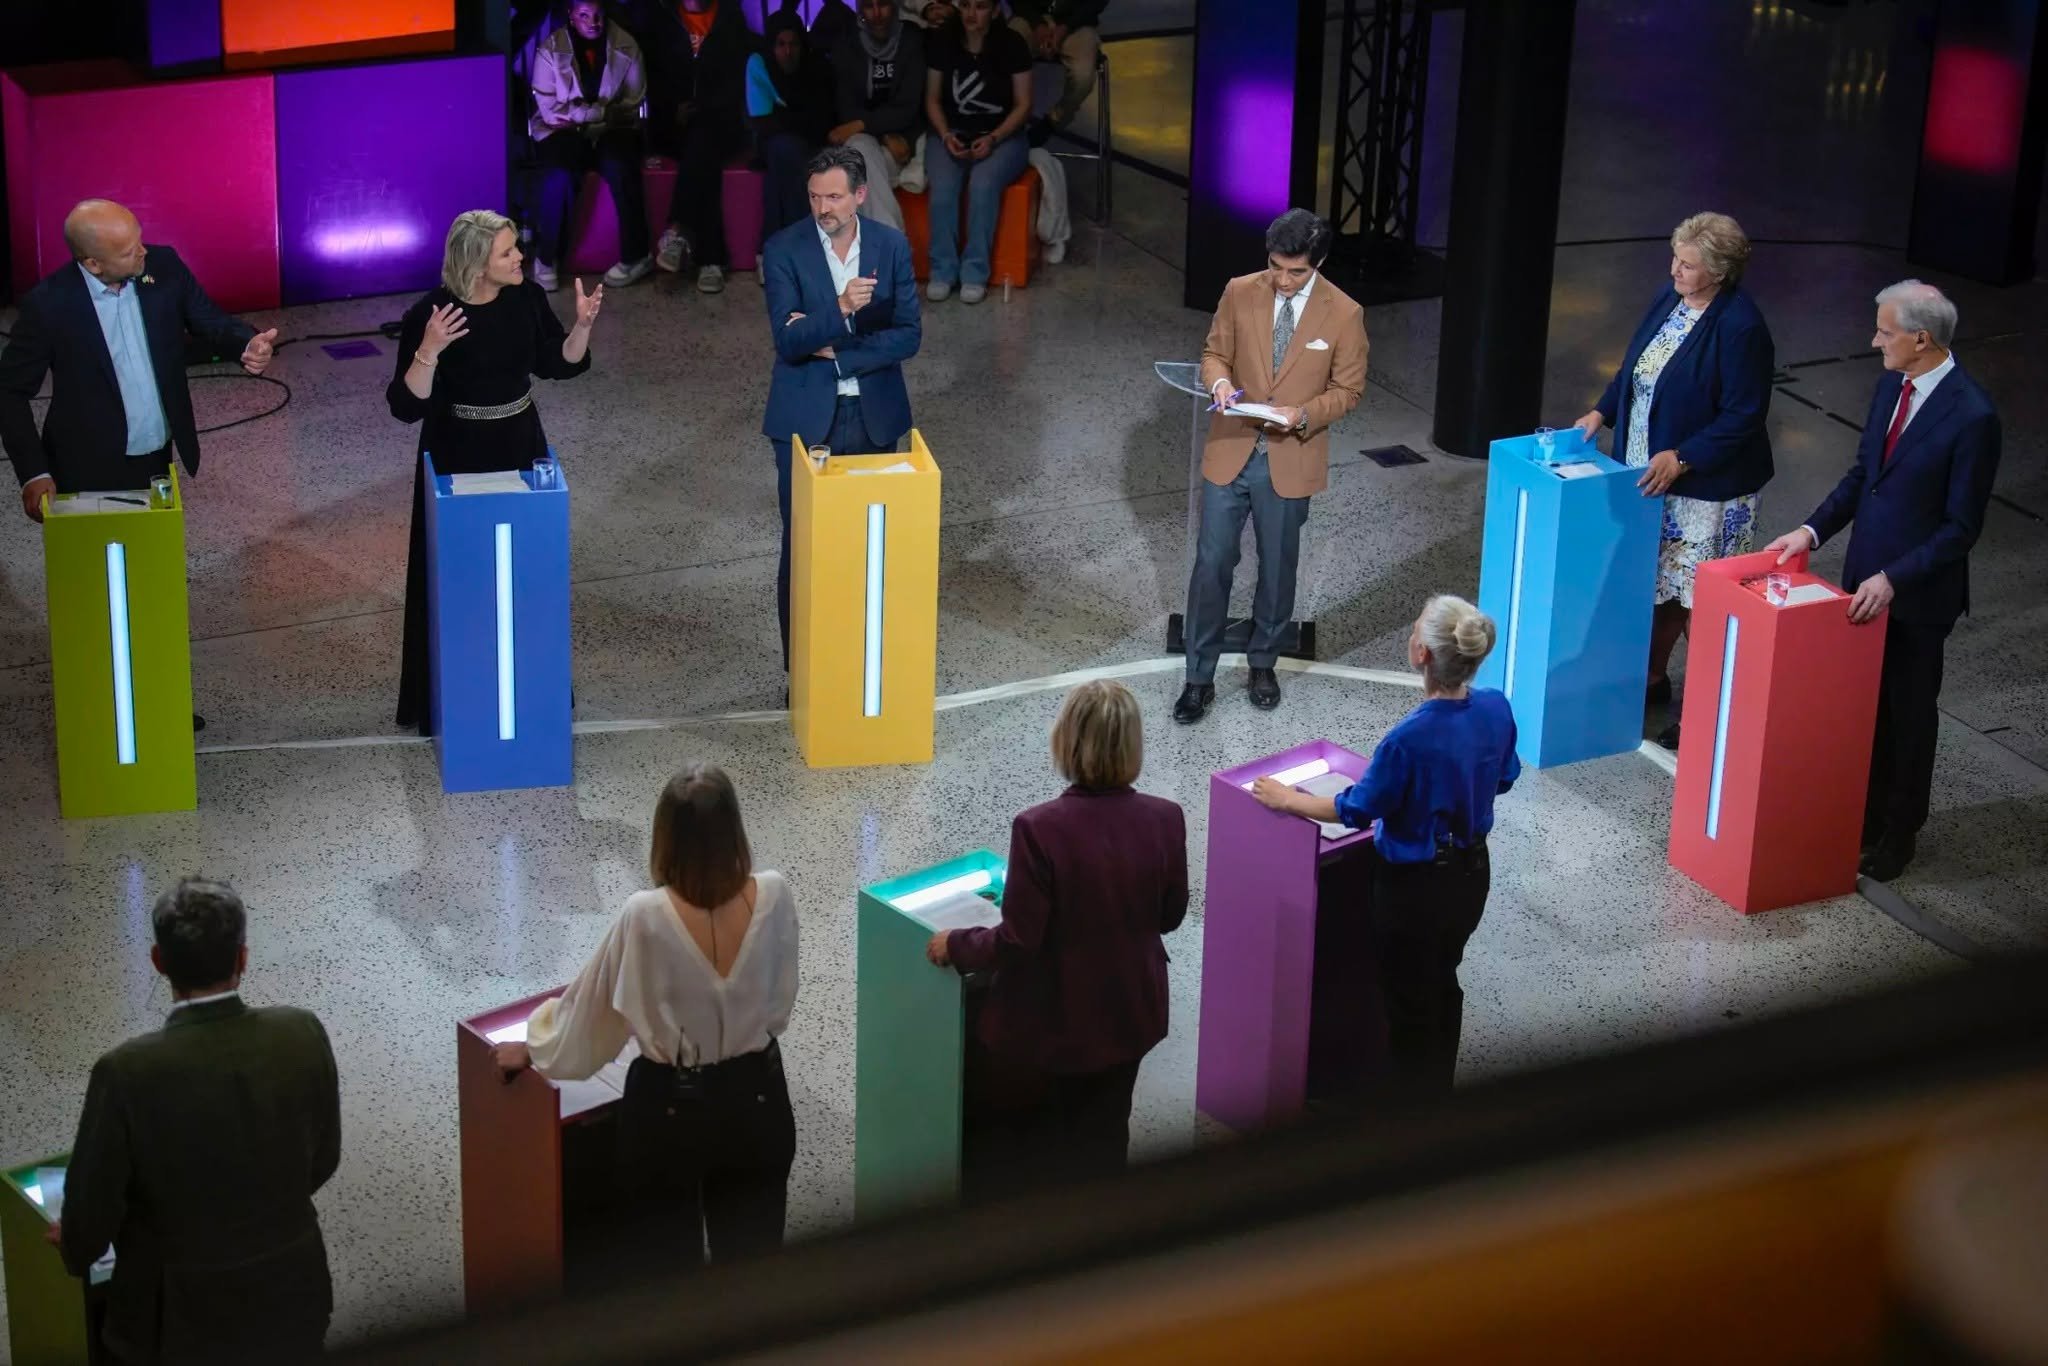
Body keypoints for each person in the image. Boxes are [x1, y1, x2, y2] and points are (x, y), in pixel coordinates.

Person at [495, 765, 799, 1271]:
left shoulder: (645, 914)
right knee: (755, 1270)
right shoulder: (775, 893)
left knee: (664, 1271)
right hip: (759, 1097)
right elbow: (780, 1003)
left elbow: (590, 1017)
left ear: (664, 839)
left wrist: (534, 1049)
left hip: (669, 1113)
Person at [1762, 281, 2001, 884]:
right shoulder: (1889, 387)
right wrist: (1810, 532)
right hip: (1862, 586)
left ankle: (1900, 833)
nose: (1874, 341)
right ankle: (1864, 817)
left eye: (1884, 331)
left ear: (1921, 339)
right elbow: (1863, 476)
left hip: (1916, 597)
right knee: (1867, 712)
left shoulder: (1973, 416)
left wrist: (1894, 578)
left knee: (1909, 715)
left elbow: (1960, 527)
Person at [55, 878, 341, 1365]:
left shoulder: (125, 1071)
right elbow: (323, 1160)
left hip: (176, 1324)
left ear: (158, 962)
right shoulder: (302, 1031)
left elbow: (89, 1219)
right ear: (243, 959)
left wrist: (76, 1245)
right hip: (292, 1293)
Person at [925, 680, 1187, 1195]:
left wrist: (956, 944)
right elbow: (1170, 916)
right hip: (1131, 1012)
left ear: (1067, 742)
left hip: (1057, 1023)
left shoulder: (1039, 828)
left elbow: (1018, 941)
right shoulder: (1165, 818)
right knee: (1108, 1131)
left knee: (1047, 1143)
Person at [1252, 596, 1519, 1099]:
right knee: (1444, 978)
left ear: (1422, 653)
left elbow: (1357, 807)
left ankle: (1412, 1112)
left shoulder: (1407, 740)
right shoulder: (1496, 708)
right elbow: (1504, 777)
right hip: (1471, 875)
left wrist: (1288, 799)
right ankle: (1438, 1088)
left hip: (1414, 890)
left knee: (1409, 1003)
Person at [387, 211, 601, 733]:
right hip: (456, 451)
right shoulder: (431, 313)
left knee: (527, 569)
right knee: (459, 572)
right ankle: (453, 693)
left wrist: (583, 328)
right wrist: (429, 351)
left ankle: (529, 683)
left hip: (520, 444)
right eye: (507, 252)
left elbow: (558, 363)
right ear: (478, 262)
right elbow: (404, 405)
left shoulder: (525, 298)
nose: (519, 259)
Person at [1573, 211, 1775, 749]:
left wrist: (1682, 458)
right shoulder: (1672, 300)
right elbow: (1637, 369)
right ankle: (1652, 679)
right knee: (1656, 586)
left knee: (1699, 603)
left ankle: (1709, 710)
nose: (1675, 270)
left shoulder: (1741, 328)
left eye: (1688, 265)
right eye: (1675, 259)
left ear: (1720, 272)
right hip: (1648, 476)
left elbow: (1743, 416)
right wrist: (1601, 413)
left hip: (1704, 490)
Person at [1177, 208, 1368, 724]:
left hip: (1288, 457)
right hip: (1231, 448)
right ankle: (1199, 676)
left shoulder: (1344, 313)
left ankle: (1264, 663)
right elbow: (1214, 353)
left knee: (1278, 568)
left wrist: (1303, 413)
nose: (1283, 281)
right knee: (1212, 564)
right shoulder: (1240, 290)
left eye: (1296, 272)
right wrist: (1218, 382)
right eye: (1276, 267)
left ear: (1319, 262)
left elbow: (1349, 390)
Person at [1, 199, 277, 523]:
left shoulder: (164, 265)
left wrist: (245, 342)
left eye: (140, 241)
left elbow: (207, 318)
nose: (143, 252)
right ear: (93, 264)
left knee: (154, 556)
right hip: (86, 461)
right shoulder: (48, 305)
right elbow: (9, 391)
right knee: (96, 562)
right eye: (128, 251)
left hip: (157, 455)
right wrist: (34, 473)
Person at [760, 146, 921, 670]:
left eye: (833, 196)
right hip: (805, 421)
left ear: (859, 195)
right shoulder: (783, 249)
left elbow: (908, 336)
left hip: (874, 417)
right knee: (805, 546)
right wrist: (843, 309)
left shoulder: (891, 247)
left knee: (869, 542)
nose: (822, 207)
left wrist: (835, 345)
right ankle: (802, 669)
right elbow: (787, 342)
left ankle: (863, 658)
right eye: (814, 196)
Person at [527, 0, 655, 292]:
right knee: (559, 172)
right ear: (571, 16)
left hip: (614, 126)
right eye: (584, 15)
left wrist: (601, 115)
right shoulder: (550, 49)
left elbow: (633, 100)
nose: (592, 22)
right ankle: (547, 258)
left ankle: (637, 255)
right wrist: (585, 114)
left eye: (597, 15)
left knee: (620, 164)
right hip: (563, 129)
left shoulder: (626, 44)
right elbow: (549, 109)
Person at [634, 0, 753, 292]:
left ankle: (677, 230)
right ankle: (711, 260)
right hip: (674, 127)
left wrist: (705, 108)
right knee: (702, 158)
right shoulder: (663, 21)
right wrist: (673, 110)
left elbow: (737, 81)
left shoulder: (730, 19)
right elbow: (654, 78)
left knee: (703, 142)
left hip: (722, 125)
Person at [921, 0, 1032, 303]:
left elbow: (1023, 105)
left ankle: (974, 272)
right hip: (950, 133)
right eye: (966, 5)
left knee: (983, 184)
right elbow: (931, 99)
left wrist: (994, 138)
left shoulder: (1012, 44)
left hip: (1003, 137)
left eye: (981, 6)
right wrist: (945, 136)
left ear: (996, 11)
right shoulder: (943, 41)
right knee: (943, 188)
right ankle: (942, 270)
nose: (971, 13)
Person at [827, 0, 928, 232]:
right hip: (869, 140)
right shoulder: (847, 43)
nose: (876, 14)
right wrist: (882, 134)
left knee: (856, 171)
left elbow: (909, 106)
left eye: (882, 5)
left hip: (904, 142)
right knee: (858, 156)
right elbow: (846, 108)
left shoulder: (911, 40)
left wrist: (863, 124)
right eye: (868, 6)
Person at [748, 11, 839, 238]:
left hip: (813, 142)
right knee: (785, 149)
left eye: (793, 44)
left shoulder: (816, 66)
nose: (787, 52)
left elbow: (823, 120)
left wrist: (787, 117)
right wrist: (798, 119)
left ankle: (776, 245)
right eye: (781, 44)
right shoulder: (760, 63)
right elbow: (763, 122)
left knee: (784, 161)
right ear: (771, 45)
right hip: (774, 143)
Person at [1009, 0, 1105, 146]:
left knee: (1083, 76)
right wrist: (1037, 24)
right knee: (1003, 52)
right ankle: (1008, 117)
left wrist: (1066, 27)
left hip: (1077, 23)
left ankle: (1054, 119)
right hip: (1030, 17)